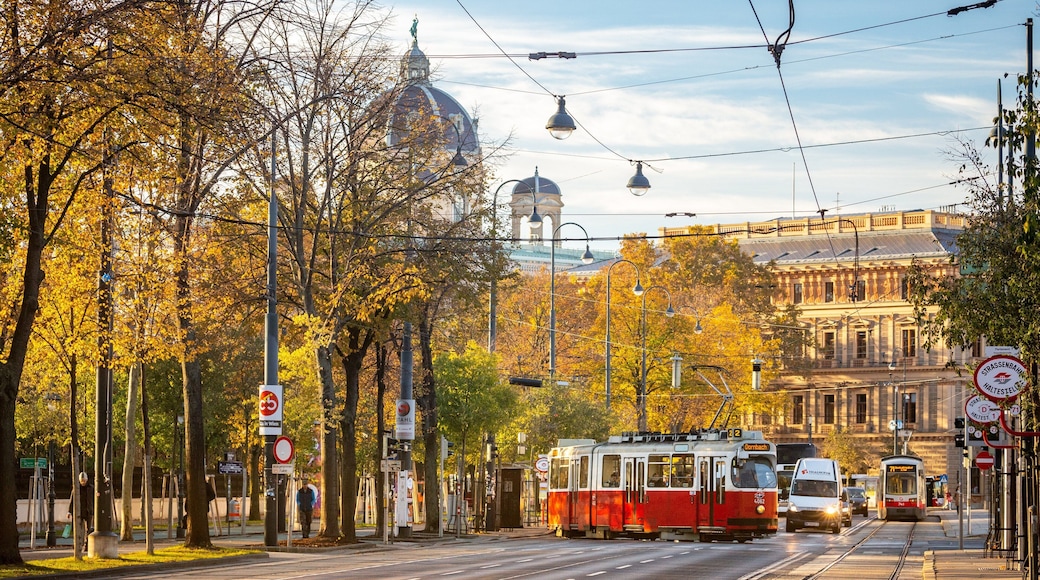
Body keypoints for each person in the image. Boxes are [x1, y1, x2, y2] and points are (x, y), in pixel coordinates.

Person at [67, 472, 94, 550]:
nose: (83, 482)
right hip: (79, 511)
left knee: (88, 529)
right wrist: (69, 511)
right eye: (82, 481)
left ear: (87, 480)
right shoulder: (76, 488)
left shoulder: (91, 488)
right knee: (78, 529)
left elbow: (94, 500)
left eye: (84, 480)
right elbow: (72, 500)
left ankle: (86, 545)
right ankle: (78, 544)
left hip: (88, 511)